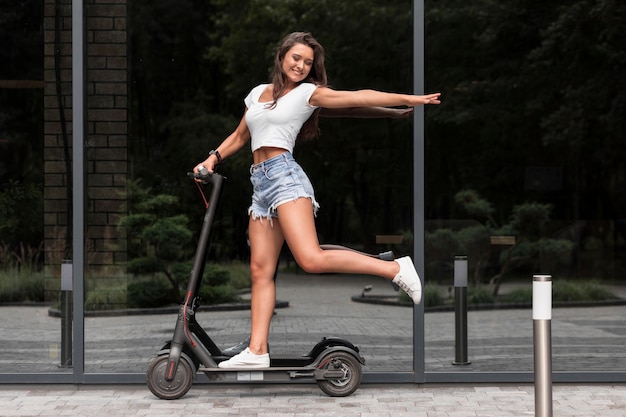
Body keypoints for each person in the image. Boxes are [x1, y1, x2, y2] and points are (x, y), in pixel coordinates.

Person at [194, 32, 441, 369]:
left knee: (310, 258)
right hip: (261, 185)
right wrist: (212, 159)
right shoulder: (257, 94)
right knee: (260, 271)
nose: (301, 65)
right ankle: (257, 351)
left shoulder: (308, 94)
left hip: (285, 179)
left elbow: (356, 98)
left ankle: (395, 268)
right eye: (296, 58)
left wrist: (407, 101)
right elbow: (240, 136)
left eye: (308, 62)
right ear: (282, 56)